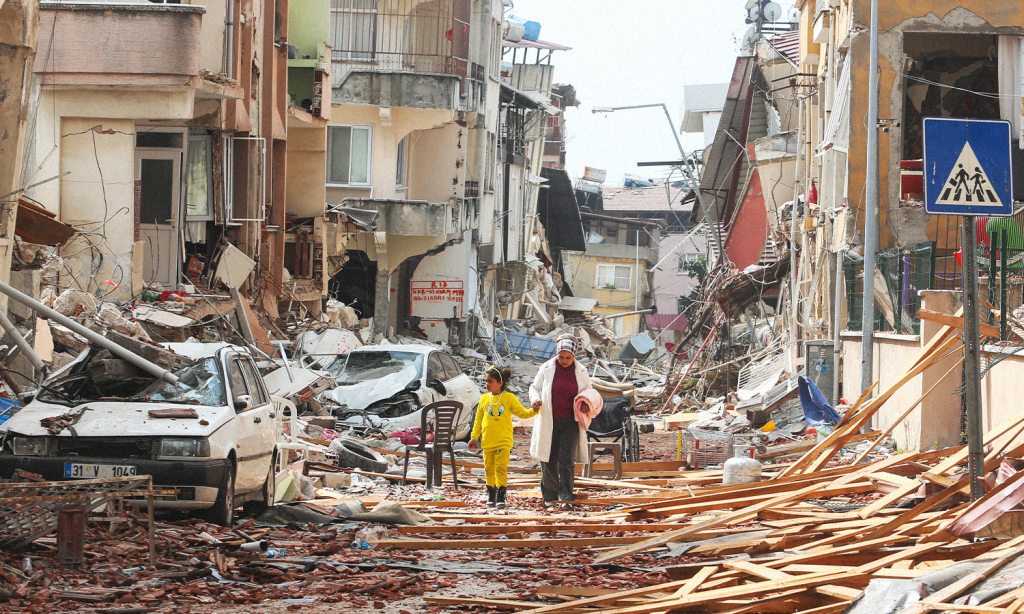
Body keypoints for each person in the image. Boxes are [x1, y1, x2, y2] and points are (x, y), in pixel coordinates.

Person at [529, 334, 593, 504]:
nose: (564, 361)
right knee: (548, 458)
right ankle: (550, 495)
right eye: (561, 357)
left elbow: (589, 392)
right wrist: (535, 400)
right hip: (550, 420)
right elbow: (534, 387)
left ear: (574, 356)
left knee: (566, 460)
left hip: (571, 422)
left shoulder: (581, 371)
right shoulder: (546, 368)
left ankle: (566, 495)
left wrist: (587, 404)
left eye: (568, 358)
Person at [469, 365, 538, 509]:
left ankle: (501, 496)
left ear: (500, 383)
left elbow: (523, 413)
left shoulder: (509, 398)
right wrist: (474, 437)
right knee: (488, 469)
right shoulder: (483, 399)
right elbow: (478, 420)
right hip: (488, 441)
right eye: (486, 381)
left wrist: (534, 410)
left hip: (503, 441)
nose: (486, 384)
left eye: (490, 381)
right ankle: (491, 495)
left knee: (500, 468)